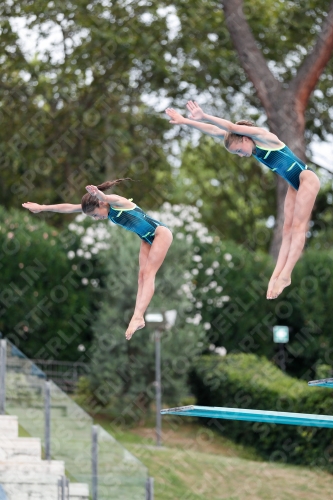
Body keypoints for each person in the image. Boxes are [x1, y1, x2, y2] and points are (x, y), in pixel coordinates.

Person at [166, 101, 320, 300]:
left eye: (239, 150)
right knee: (286, 229)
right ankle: (277, 274)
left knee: (298, 227)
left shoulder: (264, 137)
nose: (240, 155)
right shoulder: (250, 147)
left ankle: (286, 275)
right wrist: (185, 121)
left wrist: (204, 115)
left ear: (246, 138)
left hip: (306, 179)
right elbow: (215, 131)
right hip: (294, 184)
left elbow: (229, 127)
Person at [22, 179, 173, 340]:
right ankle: (139, 317)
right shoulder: (104, 208)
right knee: (141, 276)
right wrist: (42, 207)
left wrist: (99, 194)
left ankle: (137, 316)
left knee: (149, 274)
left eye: (95, 214)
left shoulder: (119, 203)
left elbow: (109, 198)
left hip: (160, 233)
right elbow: (68, 208)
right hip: (145, 238)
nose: (95, 218)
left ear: (101, 204)